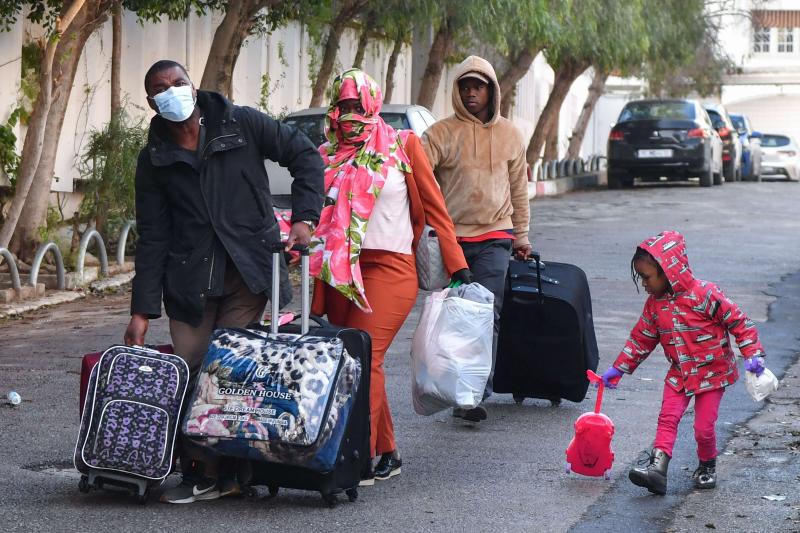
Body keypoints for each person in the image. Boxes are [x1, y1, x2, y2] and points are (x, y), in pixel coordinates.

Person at [123, 60, 324, 504]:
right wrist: (141, 311)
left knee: (228, 373)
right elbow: (153, 235)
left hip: (249, 271)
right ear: (151, 102)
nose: (172, 91)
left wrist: (305, 220)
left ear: (192, 85)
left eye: (178, 82)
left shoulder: (240, 122)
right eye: (161, 88)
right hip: (189, 282)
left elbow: (305, 156)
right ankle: (209, 466)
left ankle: (217, 471)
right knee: (191, 369)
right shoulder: (153, 158)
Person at [309, 68, 471, 485]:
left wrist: (458, 268)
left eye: (356, 105)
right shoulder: (328, 153)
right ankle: (387, 452)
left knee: (367, 357)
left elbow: (436, 210)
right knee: (350, 360)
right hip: (343, 272)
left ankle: (353, 454)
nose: (349, 113)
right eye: (342, 105)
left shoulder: (402, 145)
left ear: (372, 103)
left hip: (392, 269)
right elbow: (315, 215)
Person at [599, 231, 767, 495]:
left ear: (668, 271)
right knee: (668, 418)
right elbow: (642, 338)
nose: (644, 283)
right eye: (641, 277)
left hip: (713, 374)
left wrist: (752, 354)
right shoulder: (655, 305)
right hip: (680, 373)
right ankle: (657, 470)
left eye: (646, 277)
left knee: (703, 428)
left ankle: (707, 466)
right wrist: (620, 367)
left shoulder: (706, 294)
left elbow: (739, 322)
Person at [422, 55, 531, 422]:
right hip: (451, 241)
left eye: (478, 86)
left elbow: (519, 190)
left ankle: (472, 393)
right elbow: (416, 174)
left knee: (487, 314)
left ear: (491, 91)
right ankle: (451, 386)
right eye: (465, 86)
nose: (471, 92)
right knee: (453, 316)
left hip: (496, 236)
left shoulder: (511, 135)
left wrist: (522, 236)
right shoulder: (440, 134)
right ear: (456, 90)